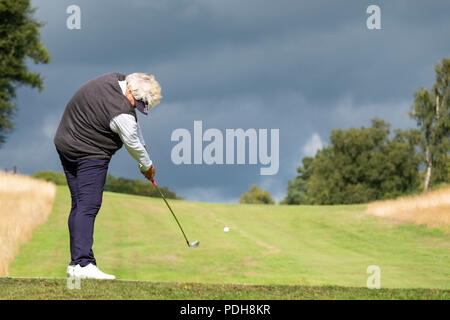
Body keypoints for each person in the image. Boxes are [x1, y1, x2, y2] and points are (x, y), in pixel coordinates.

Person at [54, 72, 162, 279]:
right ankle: (84, 264)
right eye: (137, 103)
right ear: (131, 91)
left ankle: (76, 264)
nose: (136, 108)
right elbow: (131, 141)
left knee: (78, 204)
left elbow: (134, 121)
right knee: (89, 205)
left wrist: (145, 146)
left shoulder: (116, 79)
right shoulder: (121, 111)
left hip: (65, 141)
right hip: (88, 151)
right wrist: (147, 166)